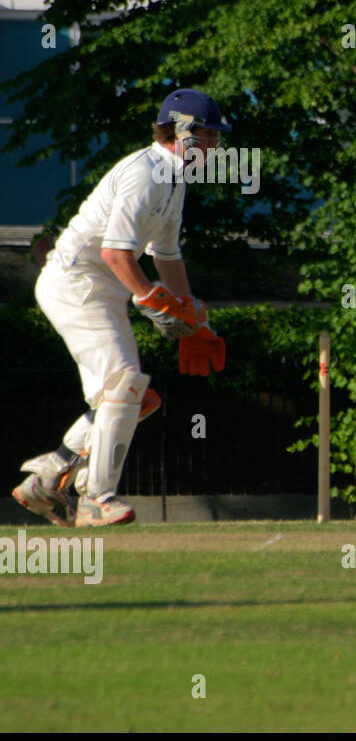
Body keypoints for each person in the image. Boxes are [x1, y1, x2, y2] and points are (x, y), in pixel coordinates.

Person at [11, 88, 229, 528]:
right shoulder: (145, 172)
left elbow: (166, 255)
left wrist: (191, 318)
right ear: (183, 133)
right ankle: (96, 499)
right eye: (209, 135)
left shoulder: (174, 178)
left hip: (100, 290)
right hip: (76, 283)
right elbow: (115, 254)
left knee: (132, 398)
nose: (216, 146)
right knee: (126, 386)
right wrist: (150, 299)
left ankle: (50, 474)